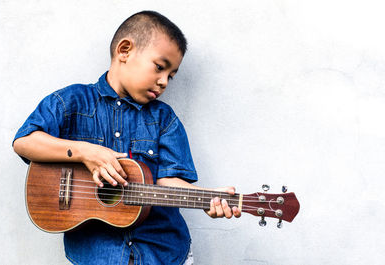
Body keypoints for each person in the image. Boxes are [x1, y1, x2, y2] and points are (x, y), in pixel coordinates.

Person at [13, 10, 241, 265]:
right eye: (159, 67)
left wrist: (207, 197)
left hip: (161, 252)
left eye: (171, 76)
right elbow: (24, 141)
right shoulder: (71, 102)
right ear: (124, 50)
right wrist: (85, 152)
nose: (164, 81)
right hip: (97, 254)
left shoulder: (164, 119)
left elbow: (167, 181)